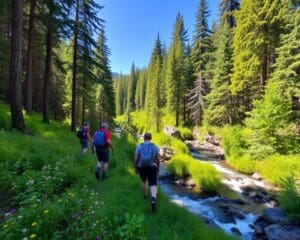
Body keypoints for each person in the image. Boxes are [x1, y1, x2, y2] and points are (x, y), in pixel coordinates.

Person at [134, 132, 160, 212]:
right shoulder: (154, 146)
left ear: (144, 138)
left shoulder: (139, 146)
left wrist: (135, 168)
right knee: (153, 183)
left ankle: (145, 195)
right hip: (152, 167)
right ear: (150, 138)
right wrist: (158, 168)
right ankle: (153, 199)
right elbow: (158, 159)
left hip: (141, 167)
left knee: (143, 180)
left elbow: (136, 158)